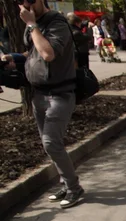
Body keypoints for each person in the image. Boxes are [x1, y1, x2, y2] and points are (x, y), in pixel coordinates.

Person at [20, 0, 84, 208]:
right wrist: (13, 59)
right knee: (51, 146)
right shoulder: (35, 24)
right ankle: (67, 184)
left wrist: (31, 25)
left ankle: (74, 188)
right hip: (39, 95)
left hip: (60, 94)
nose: (24, 5)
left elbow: (47, 54)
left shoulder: (57, 23)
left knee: (50, 143)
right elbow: (35, 53)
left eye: (28, 1)